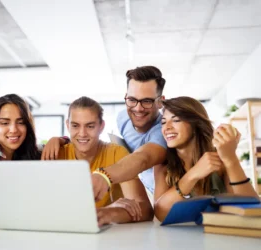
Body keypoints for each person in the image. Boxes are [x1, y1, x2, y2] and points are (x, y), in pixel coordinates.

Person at [154, 96, 259, 221]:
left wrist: (231, 159)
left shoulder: (220, 161)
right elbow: (160, 214)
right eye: (163, 122)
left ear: (195, 124)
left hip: (220, 236)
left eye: (176, 120)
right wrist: (193, 174)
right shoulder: (163, 165)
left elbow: (253, 210)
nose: (167, 128)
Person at [58, 96, 153, 226]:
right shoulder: (57, 154)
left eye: (90, 126)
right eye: (75, 126)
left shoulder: (116, 153)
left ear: (101, 126)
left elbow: (145, 209)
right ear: (67, 125)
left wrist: (109, 213)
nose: (82, 133)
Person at [92, 66, 168, 201]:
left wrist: (103, 175)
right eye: (132, 100)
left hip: (166, 195)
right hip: (140, 186)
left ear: (160, 101)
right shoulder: (123, 118)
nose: (138, 109)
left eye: (147, 101)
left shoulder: (164, 130)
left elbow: (143, 158)